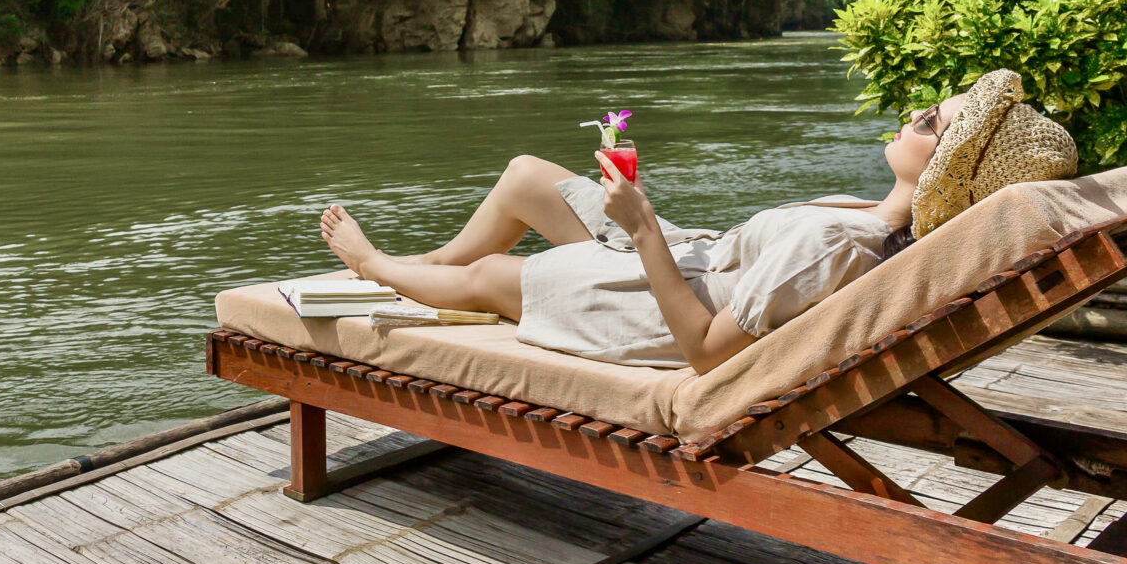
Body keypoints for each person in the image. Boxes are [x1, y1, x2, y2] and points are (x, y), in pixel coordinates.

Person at [320, 69, 1078, 375]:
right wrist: (652, 227)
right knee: (527, 176)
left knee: (489, 279)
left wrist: (642, 231)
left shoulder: (835, 247)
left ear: (946, 172)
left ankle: (378, 269)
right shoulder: (862, 221)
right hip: (692, 257)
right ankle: (425, 262)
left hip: (657, 305)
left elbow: (708, 355)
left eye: (928, 121)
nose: (909, 113)